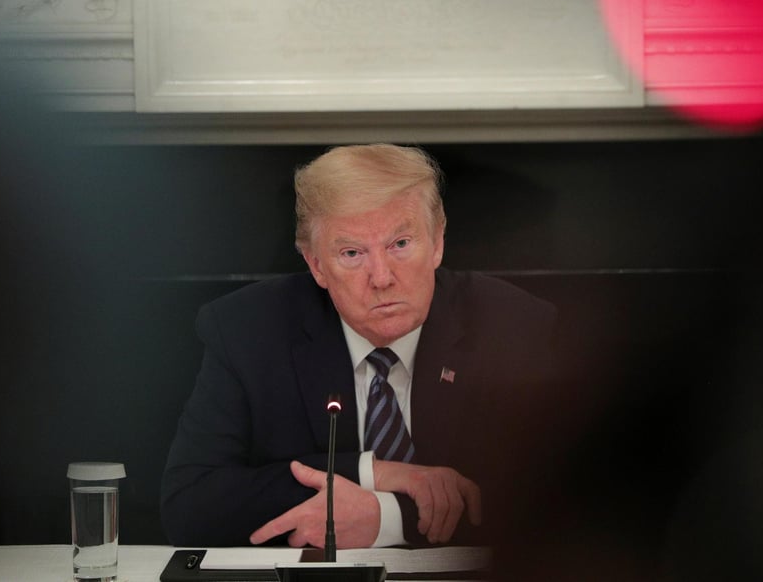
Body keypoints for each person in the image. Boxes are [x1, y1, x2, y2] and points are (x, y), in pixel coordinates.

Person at [160, 144, 559, 549]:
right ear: (317, 264)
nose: (382, 277)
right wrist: (373, 473)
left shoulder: (511, 326)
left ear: (437, 243)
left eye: (400, 244)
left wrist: (385, 518)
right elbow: (189, 505)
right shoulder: (248, 330)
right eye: (352, 253)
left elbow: (559, 502)